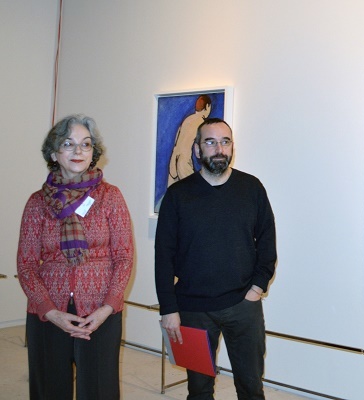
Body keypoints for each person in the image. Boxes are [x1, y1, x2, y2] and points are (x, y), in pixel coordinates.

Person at [155, 117, 277, 400]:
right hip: (193, 309)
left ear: (232, 147)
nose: (219, 149)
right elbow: (163, 256)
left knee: (251, 388)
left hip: (243, 307)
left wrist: (257, 287)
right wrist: (168, 309)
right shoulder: (177, 196)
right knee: (199, 390)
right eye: (210, 142)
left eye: (225, 142)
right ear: (197, 149)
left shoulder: (252, 188)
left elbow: (267, 242)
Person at [17, 114, 134, 400]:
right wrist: (51, 312)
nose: (78, 151)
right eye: (68, 144)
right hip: (49, 312)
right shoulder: (36, 203)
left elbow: (123, 257)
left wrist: (107, 308)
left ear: (94, 152)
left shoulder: (110, 196)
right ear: (54, 153)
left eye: (85, 144)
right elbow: (26, 265)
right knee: (49, 389)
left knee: (99, 390)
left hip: (100, 312)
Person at [168, 94, 212, 185]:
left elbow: (177, 140)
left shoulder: (188, 119)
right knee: (194, 190)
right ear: (207, 106)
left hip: (174, 161)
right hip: (184, 162)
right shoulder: (201, 123)